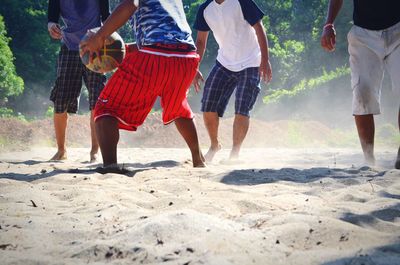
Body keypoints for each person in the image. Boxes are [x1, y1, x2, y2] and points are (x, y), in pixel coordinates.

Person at [79, 0, 206, 171]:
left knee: (105, 108)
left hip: (155, 55)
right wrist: (129, 48)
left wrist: (100, 36)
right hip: (187, 59)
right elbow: (167, 34)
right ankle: (198, 160)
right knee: (179, 107)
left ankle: (110, 167)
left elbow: (130, 4)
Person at [320, 0, 400, 168]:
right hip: (363, 34)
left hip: (398, 28)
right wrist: (328, 24)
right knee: (362, 94)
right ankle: (369, 159)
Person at [192, 0, 272, 163]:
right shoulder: (205, 10)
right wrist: (194, 67)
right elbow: (200, 42)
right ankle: (214, 145)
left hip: (251, 62)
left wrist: (265, 59)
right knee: (208, 104)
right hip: (225, 62)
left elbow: (259, 28)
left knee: (242, 107)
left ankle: (235, 153)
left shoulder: (241, 1)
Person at [47, 0, 109, 162]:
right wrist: (51, 26)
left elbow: (107, 18)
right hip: (69, 47)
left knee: (97, 100)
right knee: (60, 100)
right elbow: (52, 17)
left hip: (94, 48)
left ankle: (94, 151)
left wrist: (109, 46)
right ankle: (61, 151)